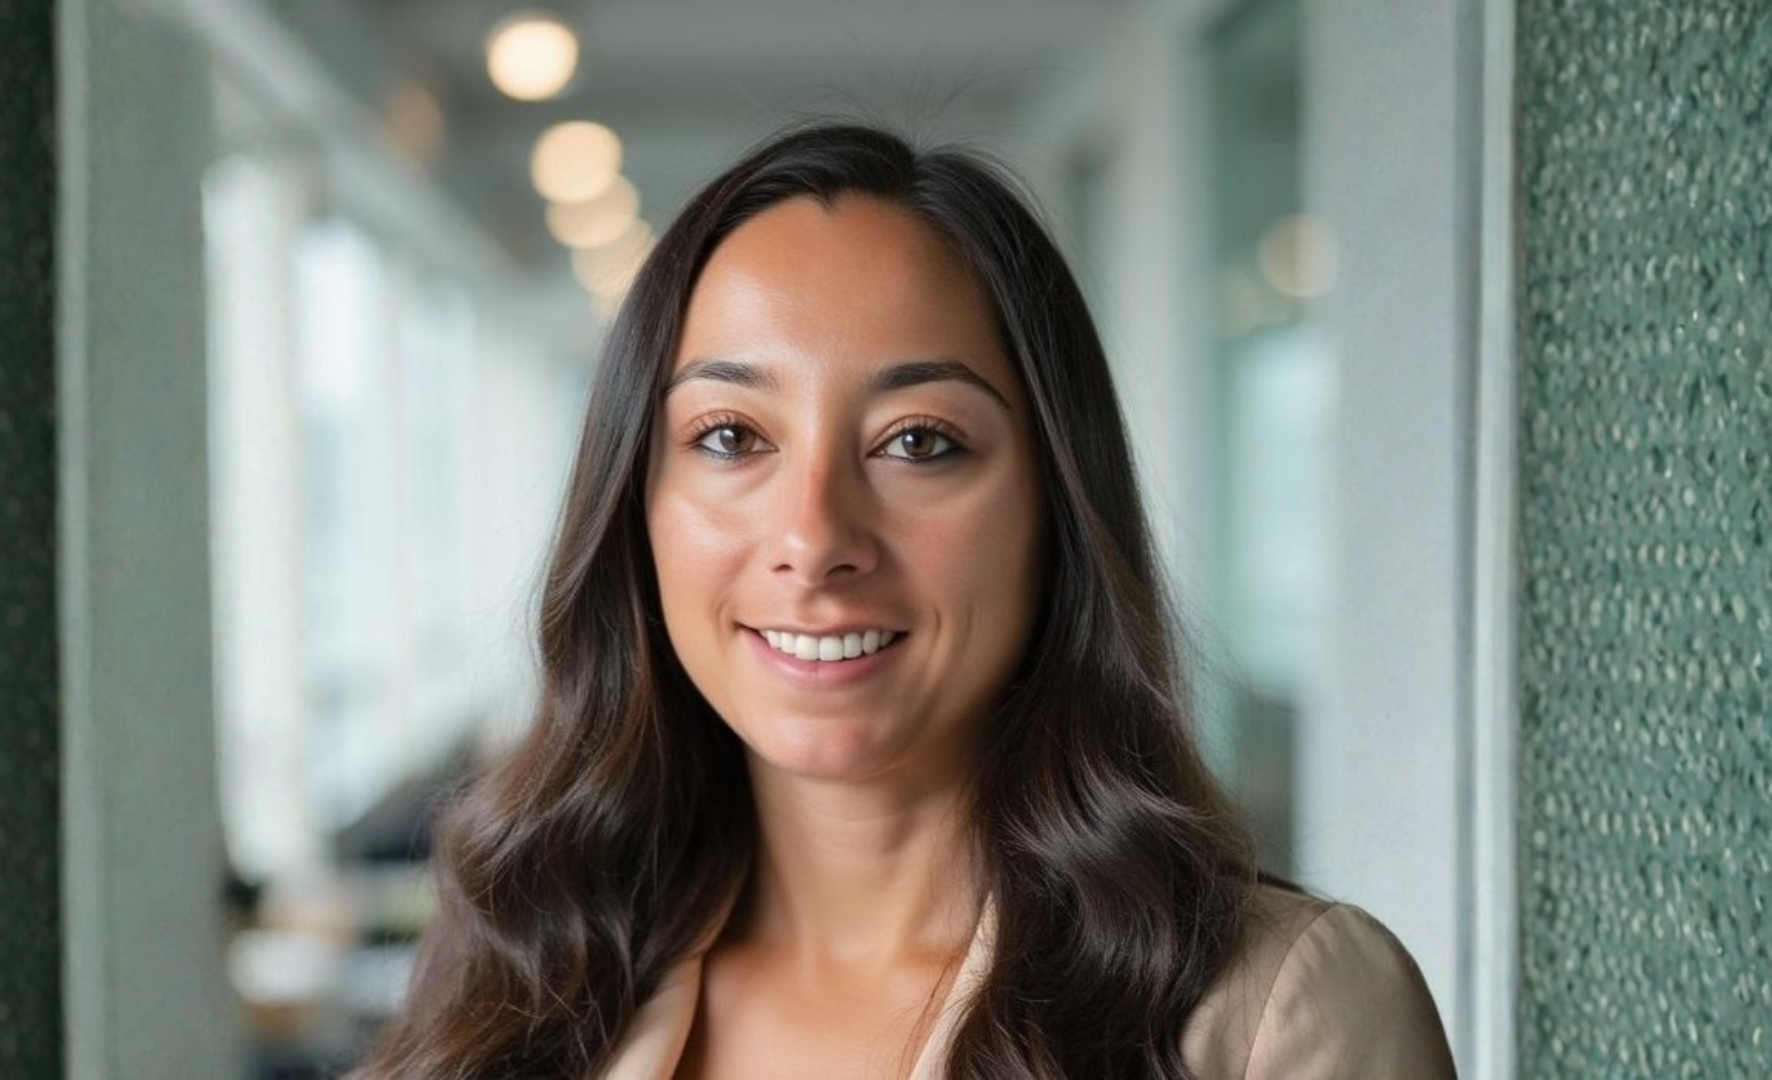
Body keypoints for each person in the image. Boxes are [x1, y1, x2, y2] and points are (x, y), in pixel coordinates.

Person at [354, 123, 1455, 1079]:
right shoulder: (521, 959)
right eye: (732, 438)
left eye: (918, 443)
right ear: (637, 505)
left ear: (1054, 509)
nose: (815, 539)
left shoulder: (1281, 1013)